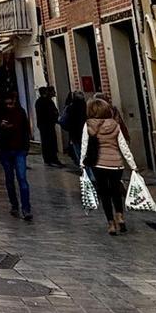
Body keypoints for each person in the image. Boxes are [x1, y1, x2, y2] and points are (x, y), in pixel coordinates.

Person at [81, 97, 138, 235]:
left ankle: (111, 224)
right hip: (116, 164)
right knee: (116, 191)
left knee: (104, 194)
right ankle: (120, 216)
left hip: (99, 164)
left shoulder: (89, 125)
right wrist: (132, 165)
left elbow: (85, 144)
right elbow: (123, 146)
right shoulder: (115, 125)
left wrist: (82, 163)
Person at [0, 93, 33, 221]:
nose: (9, 106)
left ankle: (26, 208)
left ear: (14, 101)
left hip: (19, 150)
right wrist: (1, 127)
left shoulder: (20, 113)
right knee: (10, 180)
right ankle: (14, 205)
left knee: (22, 179)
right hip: (6, 151)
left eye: (10, 103)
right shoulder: (0, 114)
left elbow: (26, 130)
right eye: (6, 104)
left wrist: (25, 148)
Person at [35, 87, 62, 167]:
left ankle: (49, 159)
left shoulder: (41, 101)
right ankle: (51, 158)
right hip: (46, 125)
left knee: (48, 142)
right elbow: (51, 112)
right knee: (49, 142)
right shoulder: (45, 102)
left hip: (45, 125)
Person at [61, 91, 87, 163]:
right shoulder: (86, 106)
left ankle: (82, 165)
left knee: (78, 150)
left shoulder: (70, 107)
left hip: (74, 133)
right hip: (85, 131)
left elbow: (65, 120)